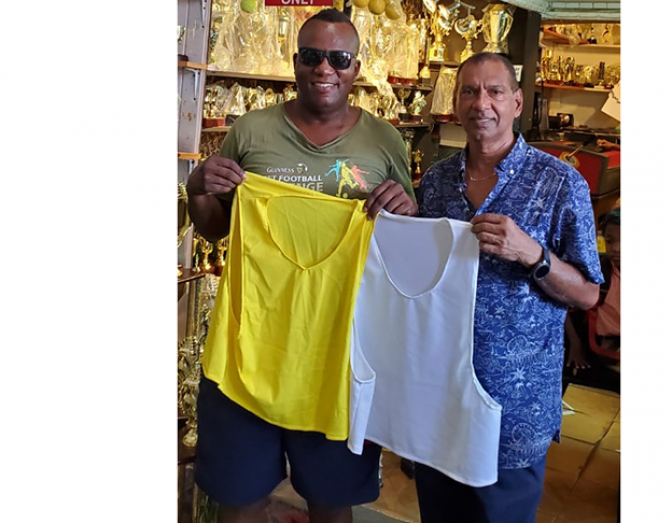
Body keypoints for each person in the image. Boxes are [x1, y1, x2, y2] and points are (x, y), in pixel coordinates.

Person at [185, 9, 416, 523]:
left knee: (332, 503)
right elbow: (215, 229)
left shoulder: (385, 143)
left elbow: (405, 245)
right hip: (249, 350)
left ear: (357, 68)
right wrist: (198, 189)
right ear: (295, 63)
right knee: (238, 500)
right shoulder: (251, 131)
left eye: (339, 58)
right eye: (312, 56)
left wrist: (408, 213)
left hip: (340, 352)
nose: (324, 69)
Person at [415, 53, 603, 523]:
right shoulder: (435, 183)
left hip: (513, 407)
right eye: (470, 91)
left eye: (495, 91)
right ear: (456, 104)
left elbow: (587, 294)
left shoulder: (561, 183)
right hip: (439, 394)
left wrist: (534, 255)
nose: (482, 103)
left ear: (517, 102)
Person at [565, 207, 621, 386]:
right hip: (599, 354)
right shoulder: (597, 272)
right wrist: (576, 344)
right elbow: (564, 304)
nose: (616, 249)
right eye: (610, 241)